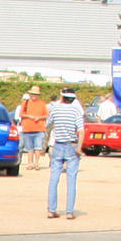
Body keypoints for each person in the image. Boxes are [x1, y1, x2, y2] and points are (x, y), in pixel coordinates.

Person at [46, 88, 85, 219]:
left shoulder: (55, 109)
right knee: (72, 179)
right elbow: (81, 131)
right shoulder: (76, 111)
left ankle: (51, 209)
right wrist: (79, 148)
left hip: (58, 144)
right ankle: (69, 211)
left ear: (62, 97)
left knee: (54, 178)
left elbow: (47, 124)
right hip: (72, 145)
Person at [17, 89, 47, 168]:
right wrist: (29, 116)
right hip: (27, 129)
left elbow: (46, 115)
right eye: (33, 94)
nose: (34, 95)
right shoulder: (25, 103)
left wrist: (39, 117)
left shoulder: (42, 104)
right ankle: (30, 163)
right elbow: (21, 114)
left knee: (38, 147)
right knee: (29, 148)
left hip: (39, 129)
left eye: (36, 94)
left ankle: (36, 163)